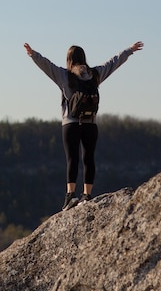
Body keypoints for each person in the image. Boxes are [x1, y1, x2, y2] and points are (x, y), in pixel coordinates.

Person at [23, 41, 144, 211]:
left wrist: (33, 54)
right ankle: (87, 195)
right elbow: (112, 63)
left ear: (69, 59)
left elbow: (46, 66)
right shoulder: (94, 74)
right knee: (89, 159)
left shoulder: (64, 75)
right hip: (90, 124)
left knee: (72, 159)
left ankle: (70, 196)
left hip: (70, 124)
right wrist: (129, 50)